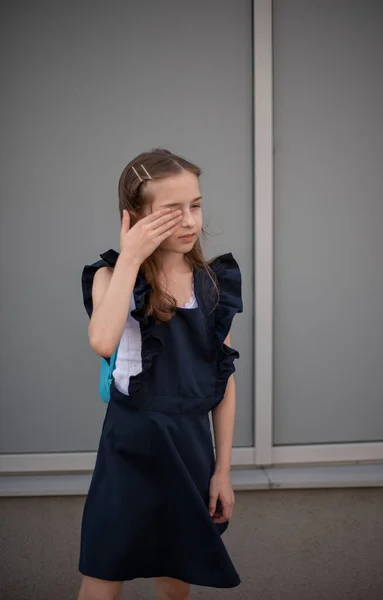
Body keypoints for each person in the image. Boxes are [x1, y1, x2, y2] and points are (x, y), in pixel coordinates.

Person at [77, 149, 243, 600]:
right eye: (173, 211)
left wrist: (222, 471)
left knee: (175, 576)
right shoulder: (112, 276)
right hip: (129, 448)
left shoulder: (211, 283)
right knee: (102, 573)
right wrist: (131, 257)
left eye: (196, 204)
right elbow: (103, 341)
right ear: (134, 218)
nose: (190, 221)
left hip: (190, 448)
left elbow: (222, 381)